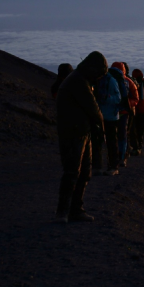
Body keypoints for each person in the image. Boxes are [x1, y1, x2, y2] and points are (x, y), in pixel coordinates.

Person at [54, 51, 107, 223]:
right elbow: (93, 109)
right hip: (73, 133)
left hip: (81, 132)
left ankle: (75, 210)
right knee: (72, 172)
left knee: (84, 172)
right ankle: (63, 212)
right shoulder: (78, 81)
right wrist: (101, 128)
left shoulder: (79, 79)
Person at [95, 66, 122, 176]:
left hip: (110, 116)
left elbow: (118, 98)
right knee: (98, 141)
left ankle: (113, 167)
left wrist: (106, 98)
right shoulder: (98, 80)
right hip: (100, 115)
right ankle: (98, 166)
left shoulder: (111, 81)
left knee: (111, 142)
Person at [129, 69, 144, 156]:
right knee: (140, 130)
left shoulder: (131, 83)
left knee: (133, 129)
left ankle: (134, 147)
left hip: (134, 109)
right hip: (143, 110)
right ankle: (139, 146)